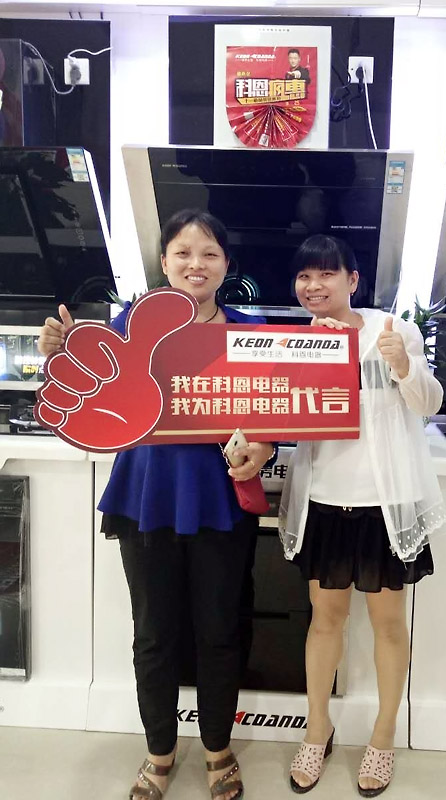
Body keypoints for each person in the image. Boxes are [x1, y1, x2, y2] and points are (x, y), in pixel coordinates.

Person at [38, 209, 276, 800]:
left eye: (209, 253)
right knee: (153, 633)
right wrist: (59, 356)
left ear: (226, 265)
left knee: (220, 630)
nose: (197, 264)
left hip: (220, 498)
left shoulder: (252, 331)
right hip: (146, 495)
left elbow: (275, 412)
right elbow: (87, 394)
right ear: (164, 261)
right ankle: (159, 752)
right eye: (183, 253)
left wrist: (264, 447)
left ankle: (218, 748)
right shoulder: (128, 325)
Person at [279, 234, 446, 797]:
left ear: (352, 280)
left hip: (384, 504)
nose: (314, 286)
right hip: (324, 499)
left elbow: (428, 405)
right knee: (324, 621)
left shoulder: (391, 331)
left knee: (388, 624)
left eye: (327, 274)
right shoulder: (293, 342)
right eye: (305, 276)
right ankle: (317, 729)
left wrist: (402, 366)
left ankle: (382, 737)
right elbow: (278, 413)